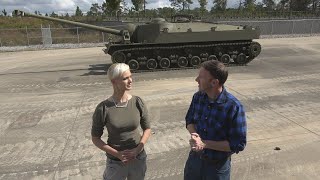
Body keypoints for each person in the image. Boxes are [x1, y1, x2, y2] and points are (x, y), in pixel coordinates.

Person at [184, 60, 247, 180]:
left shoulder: (233, 107)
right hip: (195, 161)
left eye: (201, 77)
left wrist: (204, 143)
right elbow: (189, 119)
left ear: (214, 82)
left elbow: (238, 144)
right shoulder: (198, 97)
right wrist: (194, 135)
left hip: (217, 168)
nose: (196, 80)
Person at [91, 63, 151, 180]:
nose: (130, 81)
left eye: (130, 76)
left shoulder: (138, 102)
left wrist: (137, 150)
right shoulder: (103, 108)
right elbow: (95, 138)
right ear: (114, 82)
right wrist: (117, 154)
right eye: (125, 78)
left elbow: (147, 129)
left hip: (138, 159)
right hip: (116, 163)